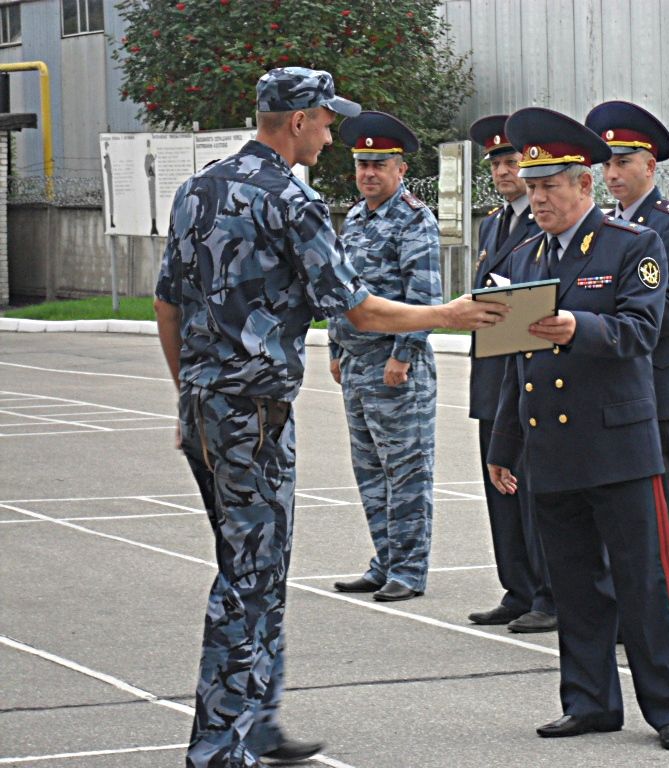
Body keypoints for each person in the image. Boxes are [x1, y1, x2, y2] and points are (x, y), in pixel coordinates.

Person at [153, 67, 506, 768]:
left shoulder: (199, 189)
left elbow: (168, 304)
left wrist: (187, 394)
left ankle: (258, 721)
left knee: (258, 565)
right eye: (324, 120)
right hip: (253, 413)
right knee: (249, 577)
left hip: (208, 407)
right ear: (295, 122)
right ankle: (219, 744)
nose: (331, 133)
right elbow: (359, 308)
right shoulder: (291, 198)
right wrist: (450, 315)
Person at [487, 107, 669, 751]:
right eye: (534, 182)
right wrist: (505, 445)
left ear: (584, 185)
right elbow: (513, 361)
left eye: (552, 183)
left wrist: (581, 326)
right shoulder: (523, 257)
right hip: (551, 446)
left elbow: (642, 329)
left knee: (645, 584)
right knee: (576, 587)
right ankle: (589, 701)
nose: (539, 194)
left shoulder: (633, 244)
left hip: (619, 444)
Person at [585, 101, 669, 626]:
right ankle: (623, 606)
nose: (612, 174)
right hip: (608, 385)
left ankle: (666, 607)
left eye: (623, 162)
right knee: (613, 503)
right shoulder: (606, 228)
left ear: (650, 165)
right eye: (606, 164)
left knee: (655, 502)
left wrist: (617, 321)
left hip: (651, 383)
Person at [328, 112, 441, 603]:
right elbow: (340, 290)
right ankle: (385, 560)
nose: (369, 173)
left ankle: (410, 570)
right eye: (362, 164)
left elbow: (424, 298)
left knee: (407, 471)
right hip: (356, 367)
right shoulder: (355, 218)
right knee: (371, 471)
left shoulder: (415, 220)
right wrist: (335, 348)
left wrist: (403, 355)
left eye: (379, 164)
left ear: (400, 170)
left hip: (396, 368)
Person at [465, 114, 555, 633]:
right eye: (496, 163)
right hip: (492, 370)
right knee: (498, 482)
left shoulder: (541, 224)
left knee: (530, 484)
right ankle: (516, 586)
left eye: (511, 160)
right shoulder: (494, 223)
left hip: (524, 366)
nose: (503, 170)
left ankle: (548, 591)